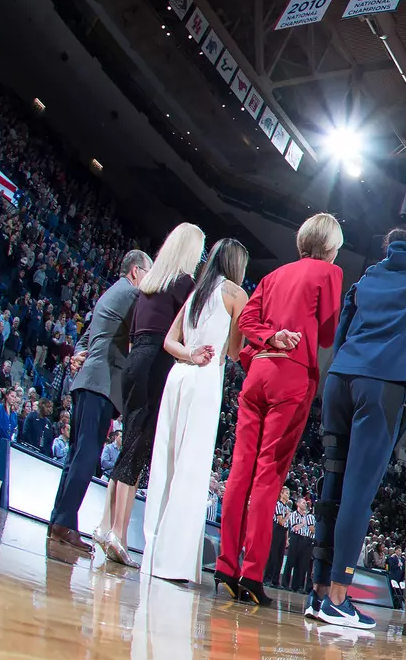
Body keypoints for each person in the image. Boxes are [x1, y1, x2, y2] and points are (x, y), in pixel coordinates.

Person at [312, 221, 406, 629]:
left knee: (331, 484)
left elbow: (343, 328)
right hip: (380, 382)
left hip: (340, 377)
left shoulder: (371, 272)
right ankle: (339, 597)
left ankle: (318, 591)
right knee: (358, 490)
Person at [216, 213, 344, 605]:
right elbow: (326, 334)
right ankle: (252, 576)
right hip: (292, 377)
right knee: (269, 474)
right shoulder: (329, 274)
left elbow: (248, 319)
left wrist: (270, 335)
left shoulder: (273, 276)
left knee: (240, 470)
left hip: (258, 372)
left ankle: (225, 567)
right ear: (330, 246)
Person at [140, 238, 248, 584]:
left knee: (165, 463)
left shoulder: (196, 293)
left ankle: (152, 552)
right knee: (191, 468)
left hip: (178, 375)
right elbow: (233, 352)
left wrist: (190, 354)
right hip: (203, 382)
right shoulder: (235, 295)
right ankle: (174, 562)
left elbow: (169, 341)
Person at [104, 224, 205, 565]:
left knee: (127, 440)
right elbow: (190, 330)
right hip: (157, 365)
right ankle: (118, 533)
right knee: (138, 444)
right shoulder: (183, 285)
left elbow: (134, 334)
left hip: (135, 361)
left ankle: (105, 525)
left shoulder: (149, 285)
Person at [48, 249, 151, 554]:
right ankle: (65, 524)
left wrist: (79, 355)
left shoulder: (109, 293)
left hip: (87, 380)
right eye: (148, 272)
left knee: (75, 455)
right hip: (102, 384)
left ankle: (59, 519)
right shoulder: (131, 296)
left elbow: (87, 336)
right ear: (135, 271)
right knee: (87, 455)